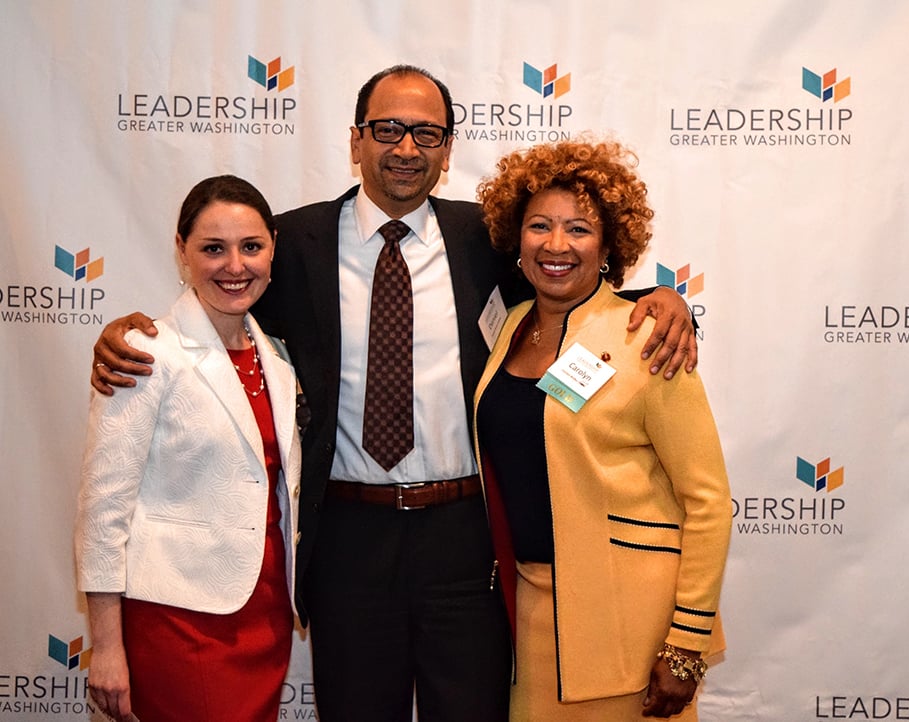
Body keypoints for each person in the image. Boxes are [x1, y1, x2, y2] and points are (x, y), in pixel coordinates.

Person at [89, 66, 699, 721]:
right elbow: (220, 299)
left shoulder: (487, 238)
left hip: (464, 541)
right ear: (356, 141)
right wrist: (127, 328)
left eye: (427, 133)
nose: (407, 149)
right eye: (388, 130)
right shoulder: (292, 243)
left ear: (447, 148)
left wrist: (662, 300)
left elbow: (568, 281)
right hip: (347, 538)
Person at [474, 139, 732, 720]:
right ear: (517, 241)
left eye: (580, 229)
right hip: (528, 620)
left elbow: (709, 501)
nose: (556, 245)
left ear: (611, 245)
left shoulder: (649, 339)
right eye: (539, 226)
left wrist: (686, 644)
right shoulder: (510, 326)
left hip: (630, 626)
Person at [75, 175, 300, 722]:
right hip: (178, 620)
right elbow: (103, 509)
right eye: (212, 249)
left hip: (267, 612)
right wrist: (106, 646)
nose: (235, 265)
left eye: (251, 247)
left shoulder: (276, 356)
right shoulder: (145, 351)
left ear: (272, 247)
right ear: (181, 250)